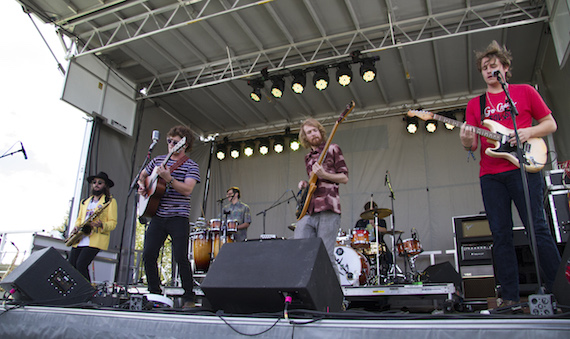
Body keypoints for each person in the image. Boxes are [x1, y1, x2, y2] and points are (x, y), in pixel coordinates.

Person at [459, 40, 561, 306]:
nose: (489, 71)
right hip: (491, 175)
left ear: (505, 68)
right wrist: (466, 140)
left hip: (524, 169)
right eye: (484, 68)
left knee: (538, 229)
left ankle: (561, 290)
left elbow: (550, 123)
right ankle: (511, 300)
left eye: (493, 66)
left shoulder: (525, 92)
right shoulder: (476, 105)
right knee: (501, 236)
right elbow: (472, 147)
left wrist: (527, 132)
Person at [138, 125, 200, 308]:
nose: (170, 144)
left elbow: (188, 189)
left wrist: (169, 178)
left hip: (178, 216)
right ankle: (154, 293)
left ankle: (189, 296)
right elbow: (143, 174)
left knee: (180, 256)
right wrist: (143, 185)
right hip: (157, 215)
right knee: (148, 254)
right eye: (169, 141)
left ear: (184, 144)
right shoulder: (157, 160)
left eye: (175, 142)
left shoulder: (191, 165)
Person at [295, 118, 349, 278]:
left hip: (328, 208)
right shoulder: (307, 158)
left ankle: (336, 300)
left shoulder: (333, 148)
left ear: (320, 131)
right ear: (305, 137)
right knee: (300, 249)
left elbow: (344, 177)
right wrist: (305, 184)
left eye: (314, 130)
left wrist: (324, 174)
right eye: (309, 132)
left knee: (325, 256)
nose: (313, 134)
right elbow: (313, 182)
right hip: (309, 210)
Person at [69, 172, 118, 282]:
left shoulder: (109, 202)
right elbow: (79, 219)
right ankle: (75, 291)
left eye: (100, 183)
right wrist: (76, 227)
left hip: (96, 239)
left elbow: (113, 223)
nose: (96, 185)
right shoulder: (84, 202)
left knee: (81, 264)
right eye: (94, 182)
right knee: (71, 265)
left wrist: (101, 224)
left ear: (105, 185)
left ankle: (89, 292)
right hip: (81, 238)